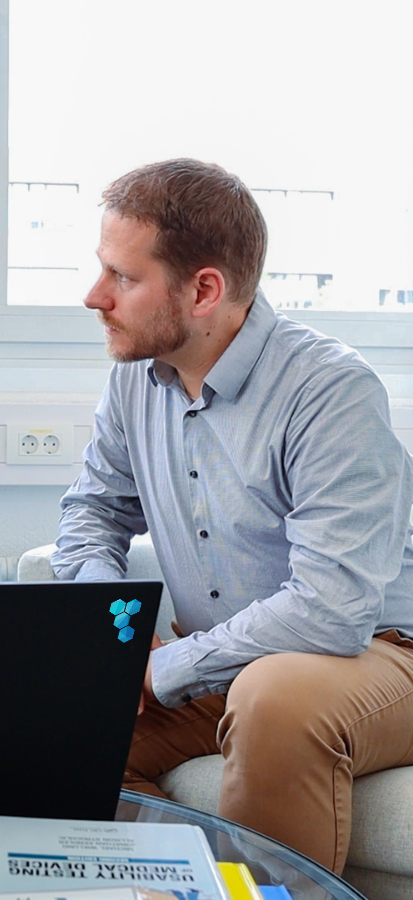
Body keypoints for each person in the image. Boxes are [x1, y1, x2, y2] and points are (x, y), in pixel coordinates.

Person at [53, 158, 413, 874]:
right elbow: (93, 511)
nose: (95, 296)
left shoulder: (330, 392)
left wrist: (166, 671)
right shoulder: (132, 379)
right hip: (226, 657)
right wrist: (112, 636)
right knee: (49, 727)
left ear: (205, 290)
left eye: (122, 277)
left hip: (377, 652)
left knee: (273, 695)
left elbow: (331, 611)